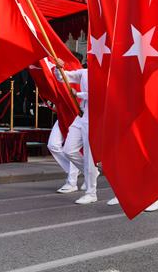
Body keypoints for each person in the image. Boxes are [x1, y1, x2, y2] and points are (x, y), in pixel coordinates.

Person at [52, 60, 101, 206]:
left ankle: (91, 193)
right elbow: (63, 77)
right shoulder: (84, 72)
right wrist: (58, 68)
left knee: (89, 157)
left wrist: (79, 93)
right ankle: (90, 174)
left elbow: (100, 94)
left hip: (95, 117)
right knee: (68, 150)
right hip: (81, 116)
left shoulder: (105, 74)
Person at [46, 119, 81, 193]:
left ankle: (72, 183)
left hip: (76, 116)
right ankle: (81, 168)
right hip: (61, 116)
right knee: (53, 145)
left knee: (72, 150)